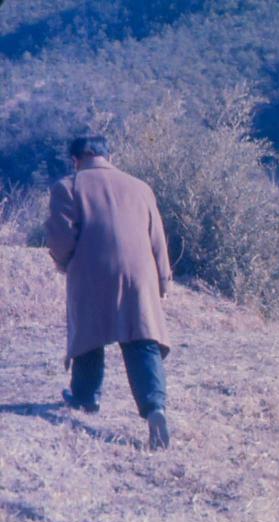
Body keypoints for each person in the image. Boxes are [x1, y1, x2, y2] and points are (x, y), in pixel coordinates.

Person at [45, 136, 172, 449]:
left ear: (76, 159)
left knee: (89, 335)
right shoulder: (140, 187)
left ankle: (86, 398)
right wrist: (163, 280)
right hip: (140, 273)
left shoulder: (68, 187)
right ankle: (155, 407)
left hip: (92, 270)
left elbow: (60, 238)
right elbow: (157, 238)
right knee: (142, 339)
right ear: (107, 155)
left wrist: (65, 263)